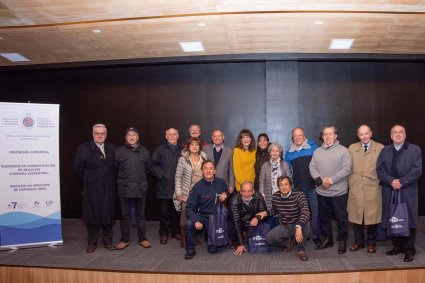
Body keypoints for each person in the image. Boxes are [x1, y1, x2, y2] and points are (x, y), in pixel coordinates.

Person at [377, 124, 422, 262]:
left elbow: (416, 170)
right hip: (390, 189)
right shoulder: (385, 150)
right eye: (395, 132)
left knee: (408, 218)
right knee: (393, 217)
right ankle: (396, 246)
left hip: (407, 190)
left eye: (400, 132)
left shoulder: (414, 149)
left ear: (405, 135)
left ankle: (409, 249)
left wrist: (401, 181)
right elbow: (380, 169)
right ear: (391, 136)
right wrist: (391, 181)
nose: (398, 134)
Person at [309, 125, 352, 254]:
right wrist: (320, 180)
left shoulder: (343, 150)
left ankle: (342, 240)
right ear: (322, 137)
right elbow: (312, 167)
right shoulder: (317, 151)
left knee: (341, 218)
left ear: (336, 135)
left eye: (330, 134)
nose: (327, 136)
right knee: (324, 217)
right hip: (322, 192)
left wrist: (331, 180)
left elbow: (347, 169)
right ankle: (328, 239)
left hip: (339, 192)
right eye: (325, 134)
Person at [74, 124, 116, 253]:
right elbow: (78, 169)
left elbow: (115, 168)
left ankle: (108, 241)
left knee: (108, 215)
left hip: (108, 189)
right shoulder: (83, 148)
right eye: (97, 133)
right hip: (91, 189)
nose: (100, 135)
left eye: (102, 133)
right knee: (92, 216)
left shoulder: (112, 148)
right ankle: (92, 242)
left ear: (106, 135)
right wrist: (92, 180)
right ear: (93, 134)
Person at [347, 125, 384, 254]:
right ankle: (359, 242)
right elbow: (347, 167)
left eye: (366, 133)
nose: (364, 136)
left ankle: (371, 243)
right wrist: (350, 183)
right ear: (358, 136)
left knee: (372, 217)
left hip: (372, 186)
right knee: (357, 216)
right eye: (361, 134)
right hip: (356, 186)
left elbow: (383, 168)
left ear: (371, 133)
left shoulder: (380, 148)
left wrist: (379, 181)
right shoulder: (352, 148)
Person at [114, 128, 152, 250]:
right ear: (126, 137)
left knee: (141, 215)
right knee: (125, 215)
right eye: (129, 135)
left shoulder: (145, 152)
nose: (131, 137)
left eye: (134, 135)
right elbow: (115, 169)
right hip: (124, 189)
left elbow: (148, 169)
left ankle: (143, 239)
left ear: (138, 137)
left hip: (140, 188)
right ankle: (124, 240)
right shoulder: (119, 151)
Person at [257, 176, 311, 261]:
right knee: (269, 239)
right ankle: (287, 242)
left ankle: (301, 249)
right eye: (281, 185)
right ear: (278, 187)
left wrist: (298, 226)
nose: (284, 187)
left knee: (306, 223)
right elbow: (274, 210)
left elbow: (306, 212)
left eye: (286, 184)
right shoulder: (276, 196)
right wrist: (266, 212)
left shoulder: (299, 195)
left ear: (290, 185)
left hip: (298, 224)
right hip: (285, 225)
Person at [184, 160, 228, 259]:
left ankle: (210, 236)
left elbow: (225, 192)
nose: (208, 171)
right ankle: (190, 249)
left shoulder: (221, 183)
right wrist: (196, 221)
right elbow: (189, 207)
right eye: (205, 168)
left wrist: (225, 194)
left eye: (211, 168)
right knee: (189, 224)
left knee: (213, 250)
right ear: (202, 171)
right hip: (202, 216)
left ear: (215, 171)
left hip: (215, 218)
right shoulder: (197, 187)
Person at [285, 127, 320, 244]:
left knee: (315, 212)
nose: (298, 137)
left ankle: (315, 236)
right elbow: (288, 172)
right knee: (302, 214)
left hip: (313, 187)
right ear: (292, 138)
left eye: (300, 135)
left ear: (304, 136)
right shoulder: (289, 154)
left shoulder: (313, 148)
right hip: (298, 189)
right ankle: (305, 234)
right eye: (295, 136)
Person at [174, 137, 207, 247]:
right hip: (186, 192)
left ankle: (192, 237)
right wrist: (179, 194)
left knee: (196, 215)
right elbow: (178, 177)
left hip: (200, 192)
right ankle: (184, 238)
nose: (194, 146)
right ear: (188, 147)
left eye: (196, 144)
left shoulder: (204, 157)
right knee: (185, 215)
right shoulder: (182, 159)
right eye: (192, 144)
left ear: (199, 147)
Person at [150, 128, 182, 244]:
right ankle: (163, 234)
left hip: (178, 188)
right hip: (164, 187)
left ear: (178, 136)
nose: (172, 136)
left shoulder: (182, 150)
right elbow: (151, 165)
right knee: (164, 213)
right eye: (170, 134)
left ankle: (175, 232)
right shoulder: (160, 149)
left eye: (174, 134)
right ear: (166, 136)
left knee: (177, 212)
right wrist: (162, 175)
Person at [229, 181, 267, 255]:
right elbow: (236, 221)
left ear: (253, 191)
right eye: (244, 191)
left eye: (249, 191)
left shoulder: (258, 196)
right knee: (230, 227)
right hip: (240, 222)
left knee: (265, 224)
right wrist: (241, 243)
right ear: (240, 192)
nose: (246, 194)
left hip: (254, 222)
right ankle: (242, 237)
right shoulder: (234, 200)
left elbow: (264, 212)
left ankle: (247, 235)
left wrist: (257, 218)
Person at [259, 143, 292, 218]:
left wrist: (289, 194)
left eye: (277, 151)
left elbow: (290, 180)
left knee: (283, 216)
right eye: (272, 150)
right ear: (270, 152)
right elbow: (261, 180)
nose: (274, 153)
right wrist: (262, 194)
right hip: (269, 196)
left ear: (280, 153)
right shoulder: (265, 165)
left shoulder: (285, 165)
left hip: (283, 195)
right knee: (271, 216)